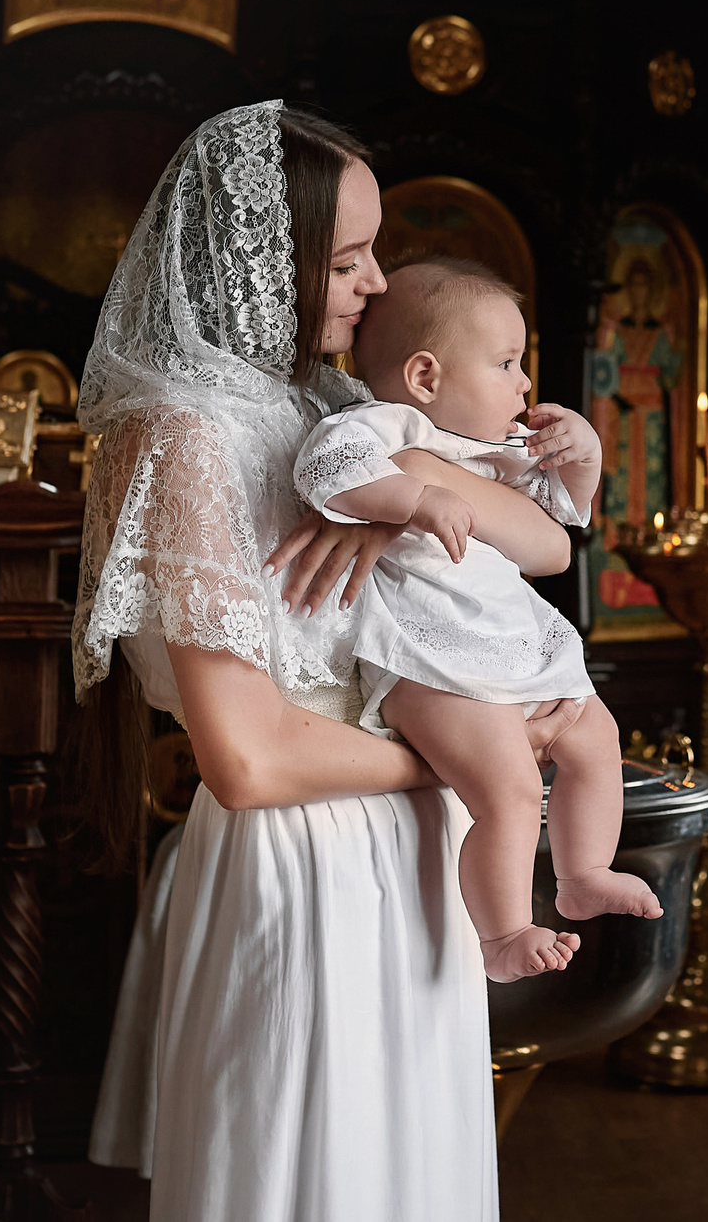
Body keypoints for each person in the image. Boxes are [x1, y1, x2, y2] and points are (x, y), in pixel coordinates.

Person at [76, 102, 585, 1218]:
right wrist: (479, 760)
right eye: (347, 256)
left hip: (406, 859)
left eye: (374, 249)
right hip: (299, 861)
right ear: (265, 255)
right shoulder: (182, 432)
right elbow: (246, 759)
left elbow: (540, 536)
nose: (374, 281)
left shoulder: (329, 412)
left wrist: (408, 498)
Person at [294, 258, 661, 983]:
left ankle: (583, 872)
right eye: (506, 363)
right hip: (432, 661)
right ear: (426, 377)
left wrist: (581, 455)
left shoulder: (494, 445)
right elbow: (324, 467)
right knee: (512, 791)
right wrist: (413, 497)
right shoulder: (387, 423)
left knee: (596, 734)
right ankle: (503, 933)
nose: (525, 383)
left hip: (505, 645)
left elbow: (561, 515)